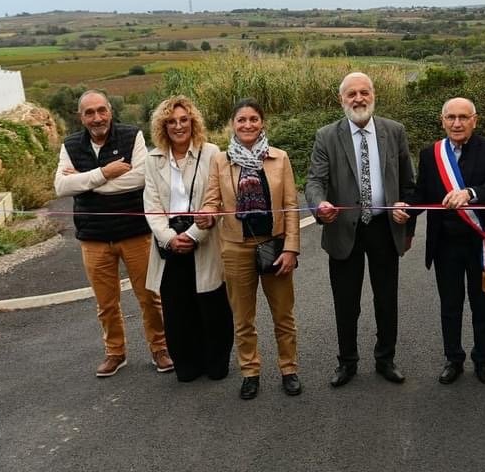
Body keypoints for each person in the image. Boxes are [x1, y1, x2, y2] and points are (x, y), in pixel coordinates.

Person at [305, 72, 416, 387]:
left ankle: (386, 359)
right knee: (346, 301)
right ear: (341, 100)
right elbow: (314, 181)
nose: (358, 99)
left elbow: (409, 183)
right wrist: (319, 204)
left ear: (373, 95)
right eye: (351, 94)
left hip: (384, 227)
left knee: (386, 299)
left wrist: (407, 216)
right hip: (343, 229)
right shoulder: (327, 135)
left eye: (363, 92)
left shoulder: (394, 131)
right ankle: (347, 362)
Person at [54, 90, 171, 377]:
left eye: (101, 110)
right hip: (93, 237)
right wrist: (106, 173)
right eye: (90, 113)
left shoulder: (132, 136)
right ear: (80, 117)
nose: (97, 118)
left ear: (110, 111)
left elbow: (141, 177)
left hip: (135, 233)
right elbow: (61, 187)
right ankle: (115, 353)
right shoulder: (70, 145)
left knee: (150, 297)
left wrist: (85, 182)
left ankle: (160, 348)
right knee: (106, 303)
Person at [396, 98, 485, 385]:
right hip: (445, 245)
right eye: (451, 118)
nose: (457, 123)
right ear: (442, 121)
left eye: (463, 118)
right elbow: (423, 195)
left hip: (480, 243)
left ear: (474, 120)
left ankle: (483, 359)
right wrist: (405, 208)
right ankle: (453, 359)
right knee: (450, 306)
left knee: (482, 306)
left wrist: (470, 193)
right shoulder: (431, 154)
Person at [200, 99, 301, 399]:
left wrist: (292, 248)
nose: (247, 125)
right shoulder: (219, 160)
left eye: (253, 119)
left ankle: (289, 369)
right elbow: (211, 200)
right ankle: (250, 372)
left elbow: (292, 206)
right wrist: (206, 214)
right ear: (232, 124)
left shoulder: (280, 158)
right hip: (235, 248)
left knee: (283, 315)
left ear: (262, 123)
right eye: (241, 119)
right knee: (243, 318)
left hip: (274, 245)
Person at [143, 96, 233, 383]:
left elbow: (215, 200)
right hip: (169, 245)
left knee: (211, 305)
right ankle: (187, 362)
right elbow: (152, 206)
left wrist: (193, 234)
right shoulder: (153, 159)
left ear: (193, 122)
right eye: (171, 121)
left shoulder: (211, 153)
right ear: (163, 126)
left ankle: (216, 361)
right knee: (177, 308)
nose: (178, 126)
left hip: (203, 239)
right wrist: (170, 238)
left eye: (183, 120)